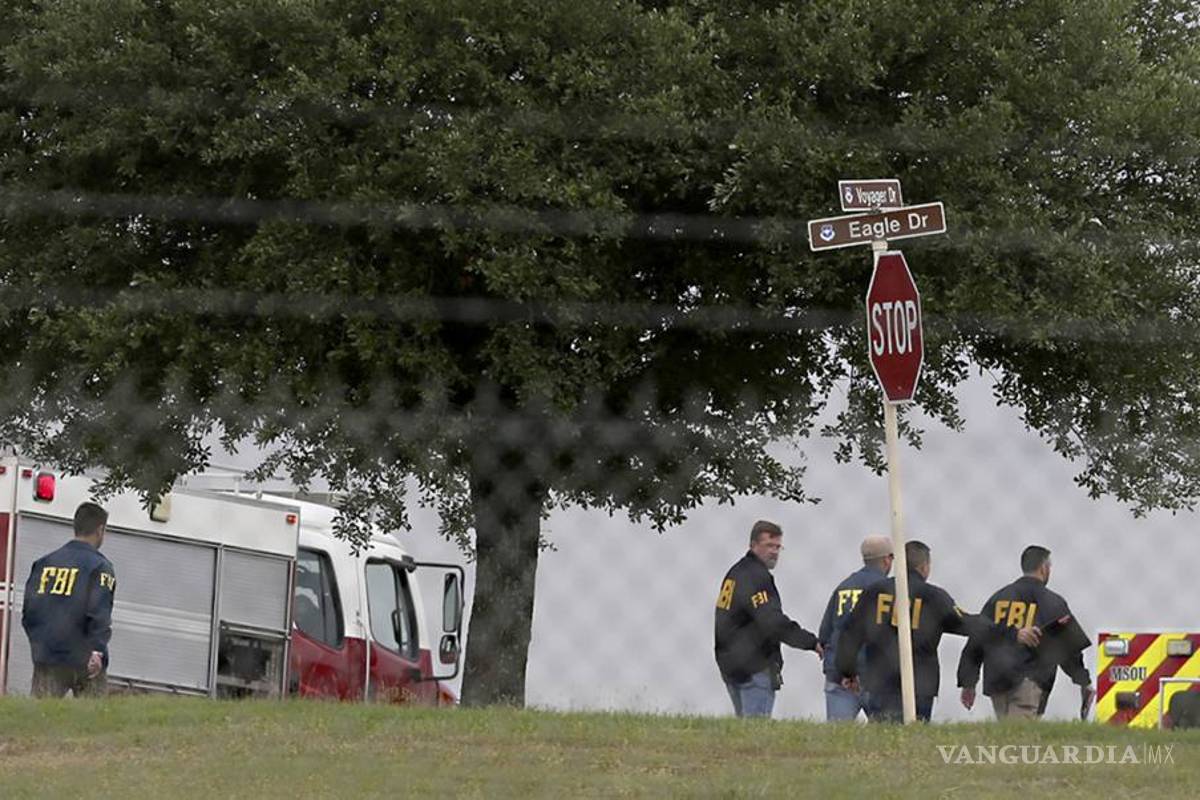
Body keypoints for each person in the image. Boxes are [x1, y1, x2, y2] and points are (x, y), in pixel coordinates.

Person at [835, 540, 1040, 722]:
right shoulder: (933, 597)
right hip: (920, 684)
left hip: (880, 681)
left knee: (885, 742)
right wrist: (1013, 632)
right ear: (924, 567)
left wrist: (848, 672)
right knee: (916, 742)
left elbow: (850, 634)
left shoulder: (874, 593)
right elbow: (969, 624)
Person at [956, 545, 1093, 719]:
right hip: (1031, 680)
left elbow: (978, 639)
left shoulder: (998, 598)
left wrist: (968, 682)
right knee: (1019, 740)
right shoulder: (1052, 602)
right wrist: (1083, 680)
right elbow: (1067, 650)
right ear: (1044, 568)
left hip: (997, 679)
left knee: (1006, 735)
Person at [714, 519, 822, 718]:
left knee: (742, 731)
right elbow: (772, 622)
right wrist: (811, 642)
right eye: (768, 546)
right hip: (755, 665)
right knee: (755, 734)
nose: (774, 552)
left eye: (778, 547)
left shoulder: (736, 572)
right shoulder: (757, 576)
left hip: (730, 663)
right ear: (753, 545)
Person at [21, 501, 116, 697]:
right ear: (100, 530)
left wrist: (40, 645)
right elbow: (99, 613)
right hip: (85, 659)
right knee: (92, 720)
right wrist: (97, 650)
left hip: (48, 657)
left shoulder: (43, 564)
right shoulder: (100, 567)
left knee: (41, 718)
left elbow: (30, 612)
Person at [817, 534, 893, 721]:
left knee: (838, 738)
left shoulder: (844, 587)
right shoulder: (888, 590)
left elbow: (825, 633)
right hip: (878, 676)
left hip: (840, 675)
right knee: (888, 738)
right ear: (886, 559)